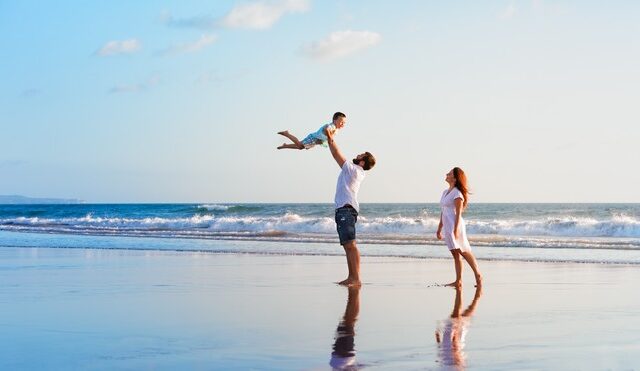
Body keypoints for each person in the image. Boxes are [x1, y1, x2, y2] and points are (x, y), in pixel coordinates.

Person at [326, 126, 375, 287]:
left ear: (362, 161)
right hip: (346, 209)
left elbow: (336, 154)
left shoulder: (354, 170)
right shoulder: (356, 171)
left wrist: (330, 137)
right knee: (348, 245)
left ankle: (355, 278)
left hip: (346, 209)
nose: (357, 155)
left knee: (350, 245)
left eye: (360, 155)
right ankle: (352, 277)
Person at [436, 167, 482, 287]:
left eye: (450, 173)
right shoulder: (445, 192)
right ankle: (459, 281)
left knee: (464, 251)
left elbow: (458, 212)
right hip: (447, 225)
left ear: (455, 178)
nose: (446, 174)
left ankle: (478, 275)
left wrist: (455, 229)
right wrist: (439, 227)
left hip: (455, 225)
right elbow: (443, 211)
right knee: (455, 253)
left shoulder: (457, 193)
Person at [435, 285, 482, 368]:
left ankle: (475, 297)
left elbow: (442, 355)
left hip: (450, 343)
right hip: (452, 342)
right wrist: (455, 333)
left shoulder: (447, 366)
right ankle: (471, 296)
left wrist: (439, 340)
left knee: (461, 316)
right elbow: (455, 354)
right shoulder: (452, 365)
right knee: (459, 316)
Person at [277, 112, 346, 150]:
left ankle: (285, 145)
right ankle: (287, 134)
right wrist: (330, 137)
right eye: (341, 122)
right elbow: (326, 129)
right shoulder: (332, 126)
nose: (343, 124)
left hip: (316, 140)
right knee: (300, 146)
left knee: (300, 146)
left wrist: (324, 141)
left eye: (344, 123)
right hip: (313, 138)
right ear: (334, 120)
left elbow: (327, 136)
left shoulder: (336, 129)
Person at [329, 286, 361, 370]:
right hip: (337, 358)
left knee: (348, 323)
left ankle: (354, 290)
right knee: (347, 323)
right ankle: (354, 290)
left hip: (344, 358)